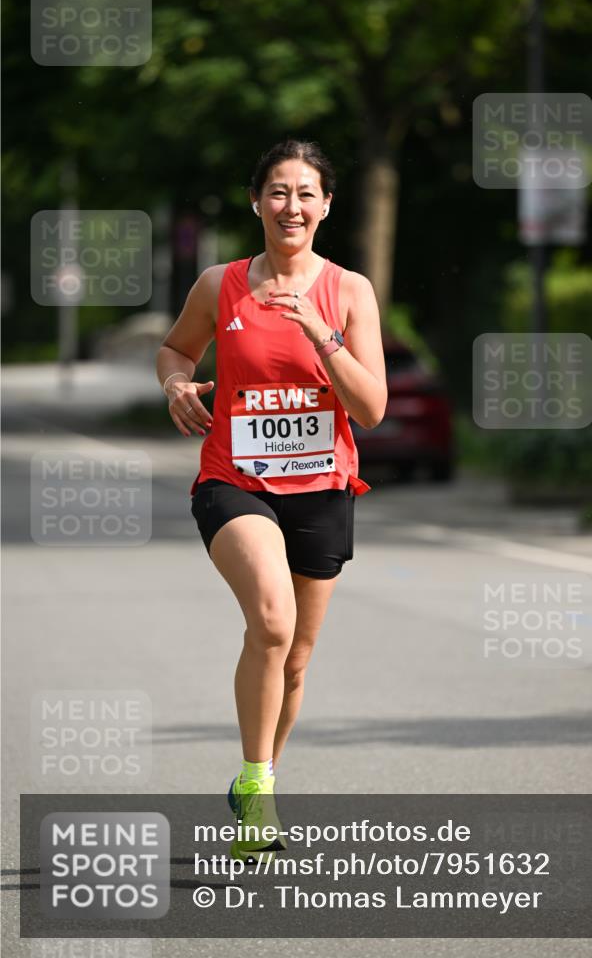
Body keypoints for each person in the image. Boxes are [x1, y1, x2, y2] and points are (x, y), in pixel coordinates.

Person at [156, 138, 386, 862]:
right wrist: (174, 386)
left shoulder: (348, 291)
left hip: (321, 487)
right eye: (278, 191)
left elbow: (372, 408)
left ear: (325, 206)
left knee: (293, 659)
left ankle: (261, 775)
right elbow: (175, 351)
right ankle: (257, 790)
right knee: (271, 619)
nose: (292, 205)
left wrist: (322, 336)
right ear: (257, 202)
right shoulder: (218, 285)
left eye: (306, 192)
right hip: (235, 480)